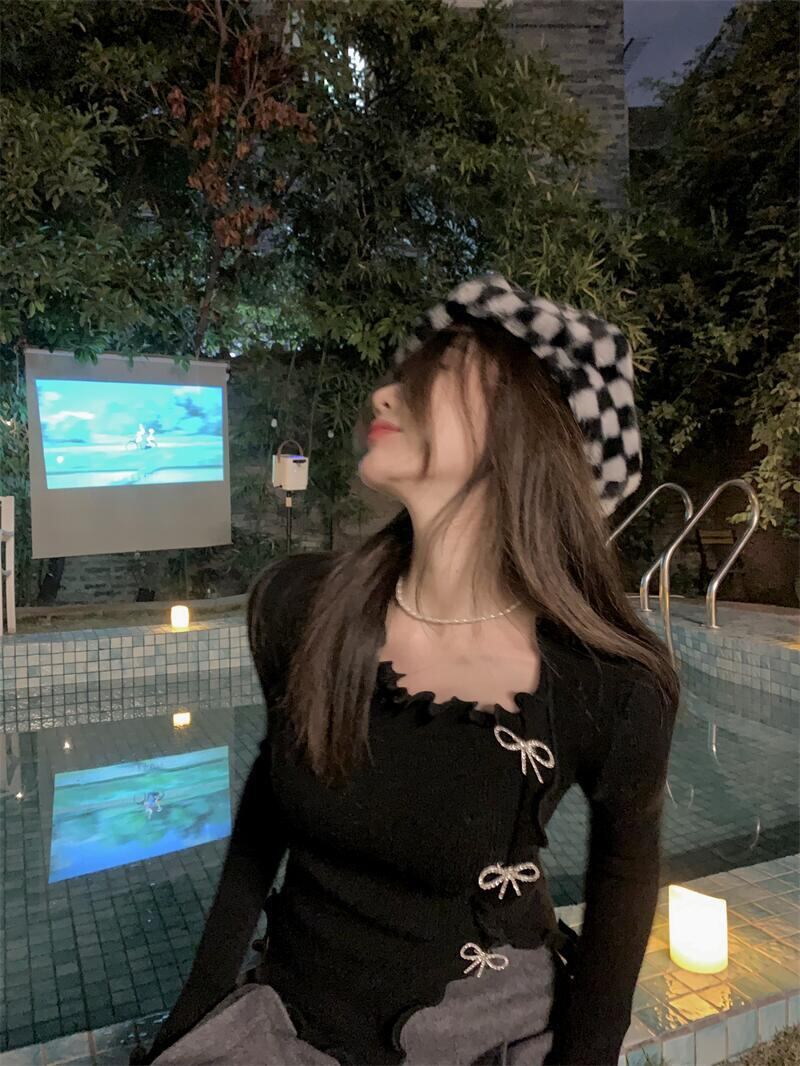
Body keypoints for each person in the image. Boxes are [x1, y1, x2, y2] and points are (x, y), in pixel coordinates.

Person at [137, 274, 679, 1066]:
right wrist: (196, 1012)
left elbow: (626, 873)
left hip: (485, 1031)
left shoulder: (606, 684)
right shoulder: (302, 607)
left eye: (433, 377)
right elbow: (267, 810)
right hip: (288, 1020)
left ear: (518, 434)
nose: (386, 395)